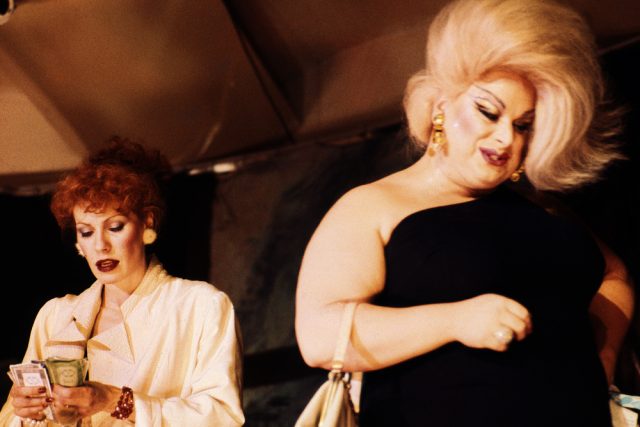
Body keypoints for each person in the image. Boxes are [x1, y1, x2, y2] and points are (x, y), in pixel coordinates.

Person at [295, 0, 635, 425]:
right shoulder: (374, 206)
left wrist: (603, 357)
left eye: (524, 125)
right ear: (441, 104)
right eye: (488, 112)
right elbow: (319, 336)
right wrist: (455, 320)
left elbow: (613, 276)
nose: (505, 137)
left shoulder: (546, 211)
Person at [0, 138, 244, 426]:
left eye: (115, 227)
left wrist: (114, 400)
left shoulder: (200, 306)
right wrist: (25, 412)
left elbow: (223, 417)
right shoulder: (56, 316)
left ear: (147, 223)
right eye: (86, 232)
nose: (100, 245)